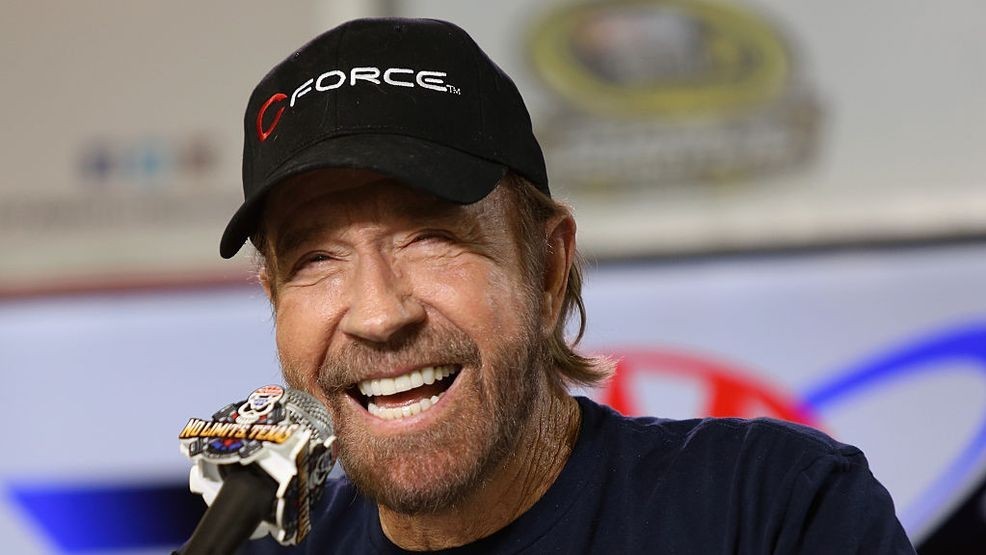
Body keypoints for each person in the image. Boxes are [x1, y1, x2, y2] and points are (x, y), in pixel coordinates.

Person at [219, 17, 915, 554]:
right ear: (274, 298)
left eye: (431, 237)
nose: (378, 312)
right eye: (314, 259)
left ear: (548, 270)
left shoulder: (771, 512)